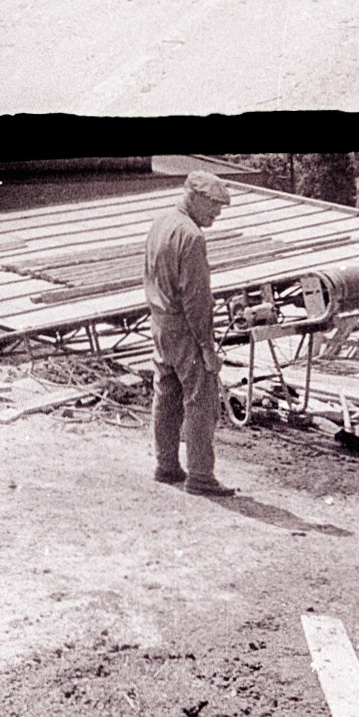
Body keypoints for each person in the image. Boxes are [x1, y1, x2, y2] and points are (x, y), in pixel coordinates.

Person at [143, 171, 235, 497]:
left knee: (166, 395)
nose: (217, 213)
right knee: (201, 401)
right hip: (184, 329)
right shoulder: (192, 236)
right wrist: (208, 348)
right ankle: (200, 477)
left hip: (159, 324)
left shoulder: (161, 223)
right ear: (194, 197)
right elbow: (197, 301)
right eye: (214, 206)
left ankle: (166, 465)